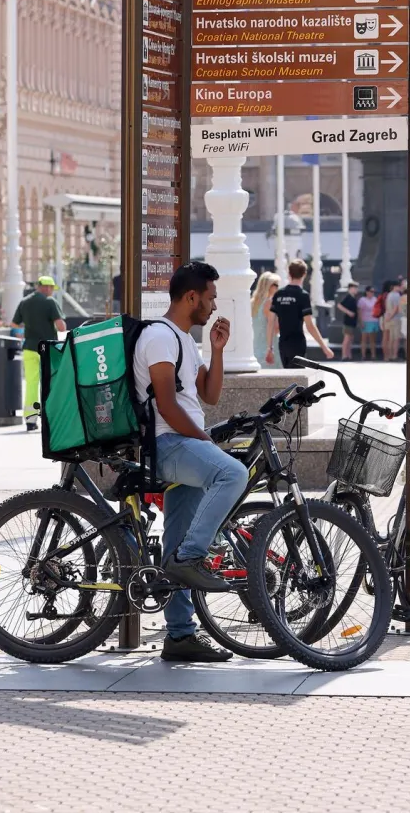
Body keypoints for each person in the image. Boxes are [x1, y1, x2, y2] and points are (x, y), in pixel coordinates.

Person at [133, 261, 248, 663]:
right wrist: (205, 441)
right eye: (211, 297)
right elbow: (166, 405)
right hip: (167, 444)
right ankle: (189, 560)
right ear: (191, 297)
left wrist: (216, 351)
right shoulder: (159, 337)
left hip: (183, 443)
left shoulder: (183, 338)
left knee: (178, 536)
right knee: (232, 472)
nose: (214, 306)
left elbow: (209, 395)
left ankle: (180, 636)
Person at [12, 276, 66, 431]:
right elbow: (61, 327)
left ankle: (31, 420)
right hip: (47, 349)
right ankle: (50, 420)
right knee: (49, 383)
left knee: (31, 384)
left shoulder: (25, 302)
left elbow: (14, 324)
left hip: (29, 349)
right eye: (51, 288)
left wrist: (25, 333)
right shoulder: (50, 302)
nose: (51, 291)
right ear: (46, 287)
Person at [266, 259, 334, 367]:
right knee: (297, 375)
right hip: (298, 343)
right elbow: (310, 325)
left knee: (288, 374)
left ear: (289, 273)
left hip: (283, 343)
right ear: (304, 274)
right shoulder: (303, 295)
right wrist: (324, 347)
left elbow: (270, 322)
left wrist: (269, 348)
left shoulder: (278, 294)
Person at [251, 270, 281, 367]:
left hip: (256, 347)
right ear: (269, 286)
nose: (278, 288)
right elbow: (275, 327)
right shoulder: (270, 303)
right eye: (276, 285)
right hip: (270, 348)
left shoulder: (253, 303)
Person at [336, 281, 359, 361]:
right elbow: (339, 305)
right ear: (350, 288)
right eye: (355, 288)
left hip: (353, 322)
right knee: (347, 339)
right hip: (348, 322)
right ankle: (344, 355)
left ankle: (349, 355)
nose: (356, 290)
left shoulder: (353, 298)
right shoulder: (348, 297)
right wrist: (348, 312)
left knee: (350, 339)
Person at [356, 285, 379, 361]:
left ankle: (373, 355)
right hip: (365, 321)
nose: (372, 293)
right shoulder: (362, 300)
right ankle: (363, 355)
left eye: (373, 292)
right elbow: (359, 311)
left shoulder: (375, 299)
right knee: (364, 339)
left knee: (373, 339)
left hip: (374, 321)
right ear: (367, 292)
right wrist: (361, 321)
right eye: (371, 291)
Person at [382, 278, 403, 362]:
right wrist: (390, 317)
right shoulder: (397, 295)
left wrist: (387, 318)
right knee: (395, 339)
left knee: (390, 339)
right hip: (395, 319)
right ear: (395, 287)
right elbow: (396, 308)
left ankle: (389, 355)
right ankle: (394, 356)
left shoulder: (389, 295)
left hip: (388, 318)